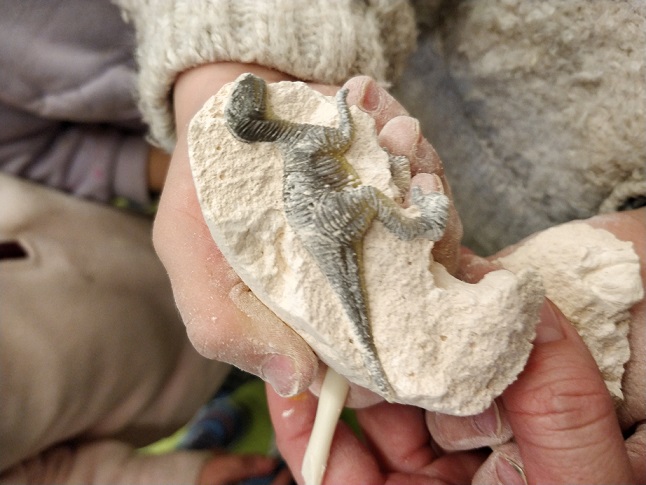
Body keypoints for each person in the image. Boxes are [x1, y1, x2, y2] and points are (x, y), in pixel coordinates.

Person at [9, 0, 641, 483]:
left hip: (411, 185)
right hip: (375, 219)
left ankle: (410, 247)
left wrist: (240, 57)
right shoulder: (298, 138)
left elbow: (340, 133)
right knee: (369, 320)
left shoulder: (302, 135)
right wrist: (233, 71)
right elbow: (337, 137)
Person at [0, 2, 288, 483]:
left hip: (117, 242)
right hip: (159, 387)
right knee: (259, 358)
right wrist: (180, 476)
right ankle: (219, 413)